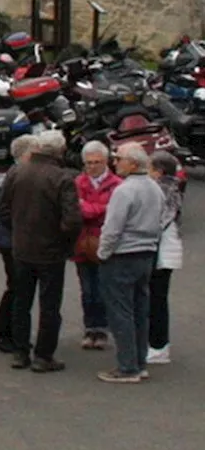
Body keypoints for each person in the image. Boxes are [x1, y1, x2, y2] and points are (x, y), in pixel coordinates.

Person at [0, 130, 82, 373]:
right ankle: (43, 355)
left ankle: (20, 351)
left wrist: (18, 230)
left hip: (22, 248)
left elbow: (2, 210)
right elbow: (72, 220)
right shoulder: (62, 178)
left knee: (21, 301)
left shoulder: (17, 172)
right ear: (60, 150)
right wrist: (65, 241)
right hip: (50, 251)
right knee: (49, 305)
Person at [95, 144, 164, 383]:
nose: (115, 162)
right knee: (140, 310)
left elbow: (112, 228)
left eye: (119, 158)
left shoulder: (124, 191)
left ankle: (127, 367)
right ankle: (139, 362)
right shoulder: (155, 188)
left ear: (133, 164)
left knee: (120, 312)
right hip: (146, 254)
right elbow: (162, 218)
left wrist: (102, 253)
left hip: (122, 255)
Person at [0, 134, 38, 353]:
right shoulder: (17, 175)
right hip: (12, 240)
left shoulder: (15, 174)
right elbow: (4, 211)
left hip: (11, 238)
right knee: (17, 287)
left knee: (17, 287)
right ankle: (3, 333)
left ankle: (3, 331)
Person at [74, 141, 122, 350]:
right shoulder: (78, 182)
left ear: (106, 162)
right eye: (88, 163)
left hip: (106, 243)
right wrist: (99, 209)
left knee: (103, 288)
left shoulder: (117, 184)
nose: (92, 167)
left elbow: (113, 212)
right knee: (87, 289)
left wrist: (89, 208)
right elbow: (78, 211)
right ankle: (90, 327)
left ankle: (101, 328)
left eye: (97, 162)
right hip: (83, 244)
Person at [147, 151, 183, 365]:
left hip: (163, 252)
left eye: (150, 168)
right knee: (156, 297)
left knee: (157, 299)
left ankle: (159, 346)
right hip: (164, 250)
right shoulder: (171, 186)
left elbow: (159, 220)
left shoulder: (164, 190)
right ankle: (156, 343)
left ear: (158, 171)